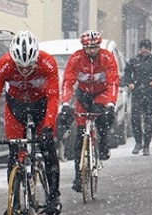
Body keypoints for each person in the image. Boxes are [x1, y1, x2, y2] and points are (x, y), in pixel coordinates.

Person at [0, 30, 62, 215]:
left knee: (47, 147)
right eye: (20, 66)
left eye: (29, 66)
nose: (25, 70)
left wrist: (48, 126)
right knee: (15, 151)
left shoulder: (47, 63)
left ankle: (53, 197)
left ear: (36, 59)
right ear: (13, 60)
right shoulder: (3, 65)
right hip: (16, 107)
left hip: (41, 105)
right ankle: (15, 202)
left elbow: (53, 97)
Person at [58, 30, 119, 192]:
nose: (92, 51)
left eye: (95, 47)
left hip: (101, 93)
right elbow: (67, 82)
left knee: (101, 116)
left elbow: (113, 81)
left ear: (99, 46)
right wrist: (65, 103)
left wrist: (111, 104)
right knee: (79, 136)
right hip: (83, 94)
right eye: (88, 48)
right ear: (83, 47)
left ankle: (104, 143)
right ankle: (78, 176)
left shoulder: (106, 57)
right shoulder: (76, 58)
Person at [123, 39, 152, 156]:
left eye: (147, 48)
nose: (144, 50)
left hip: (150, 95)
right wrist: (130, 83)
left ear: (150, 49)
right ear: (139, 48)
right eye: (143, 48)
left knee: (149, 120)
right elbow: (126, 73)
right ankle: (138, 142)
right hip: (137, 94)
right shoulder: (134, 61)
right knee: (135, 119)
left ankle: (146, 145)